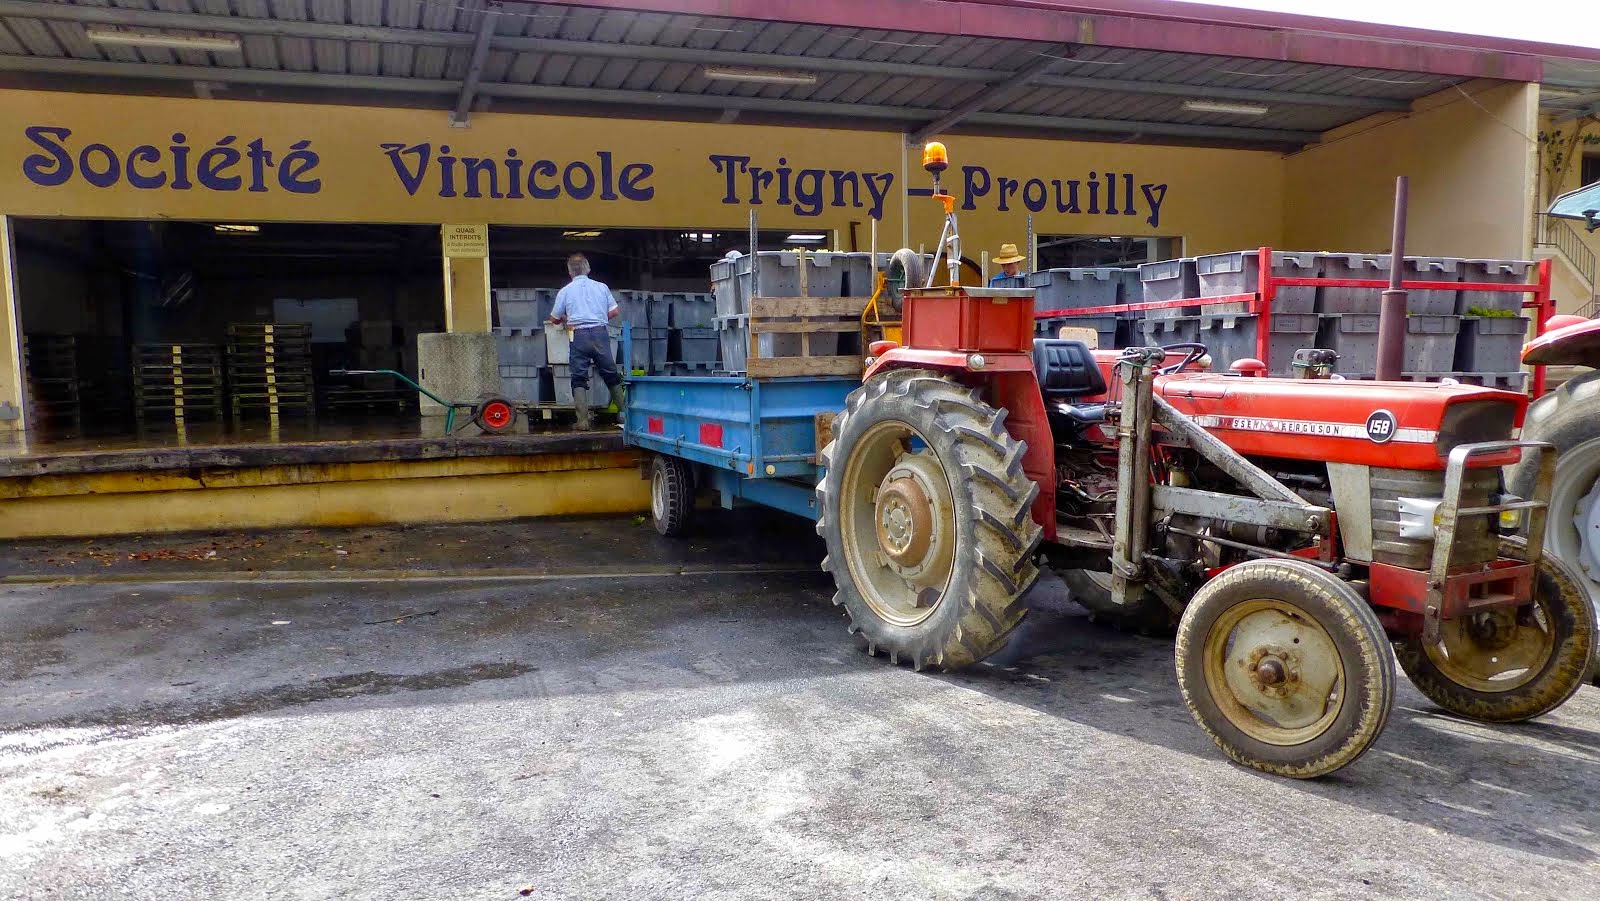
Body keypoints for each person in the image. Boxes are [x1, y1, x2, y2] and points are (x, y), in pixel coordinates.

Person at [548, 253, 623, 430]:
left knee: (578, 377)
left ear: (570, 272)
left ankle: (582, 421)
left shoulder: (565, 291)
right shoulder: (602, 287)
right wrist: (596, 317)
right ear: (588, 268)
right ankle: (624, 414)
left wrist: (567, 319)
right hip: (600, 334)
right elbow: (615, 312)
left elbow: (553, 318)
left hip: (578, 335)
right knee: (610, 374)